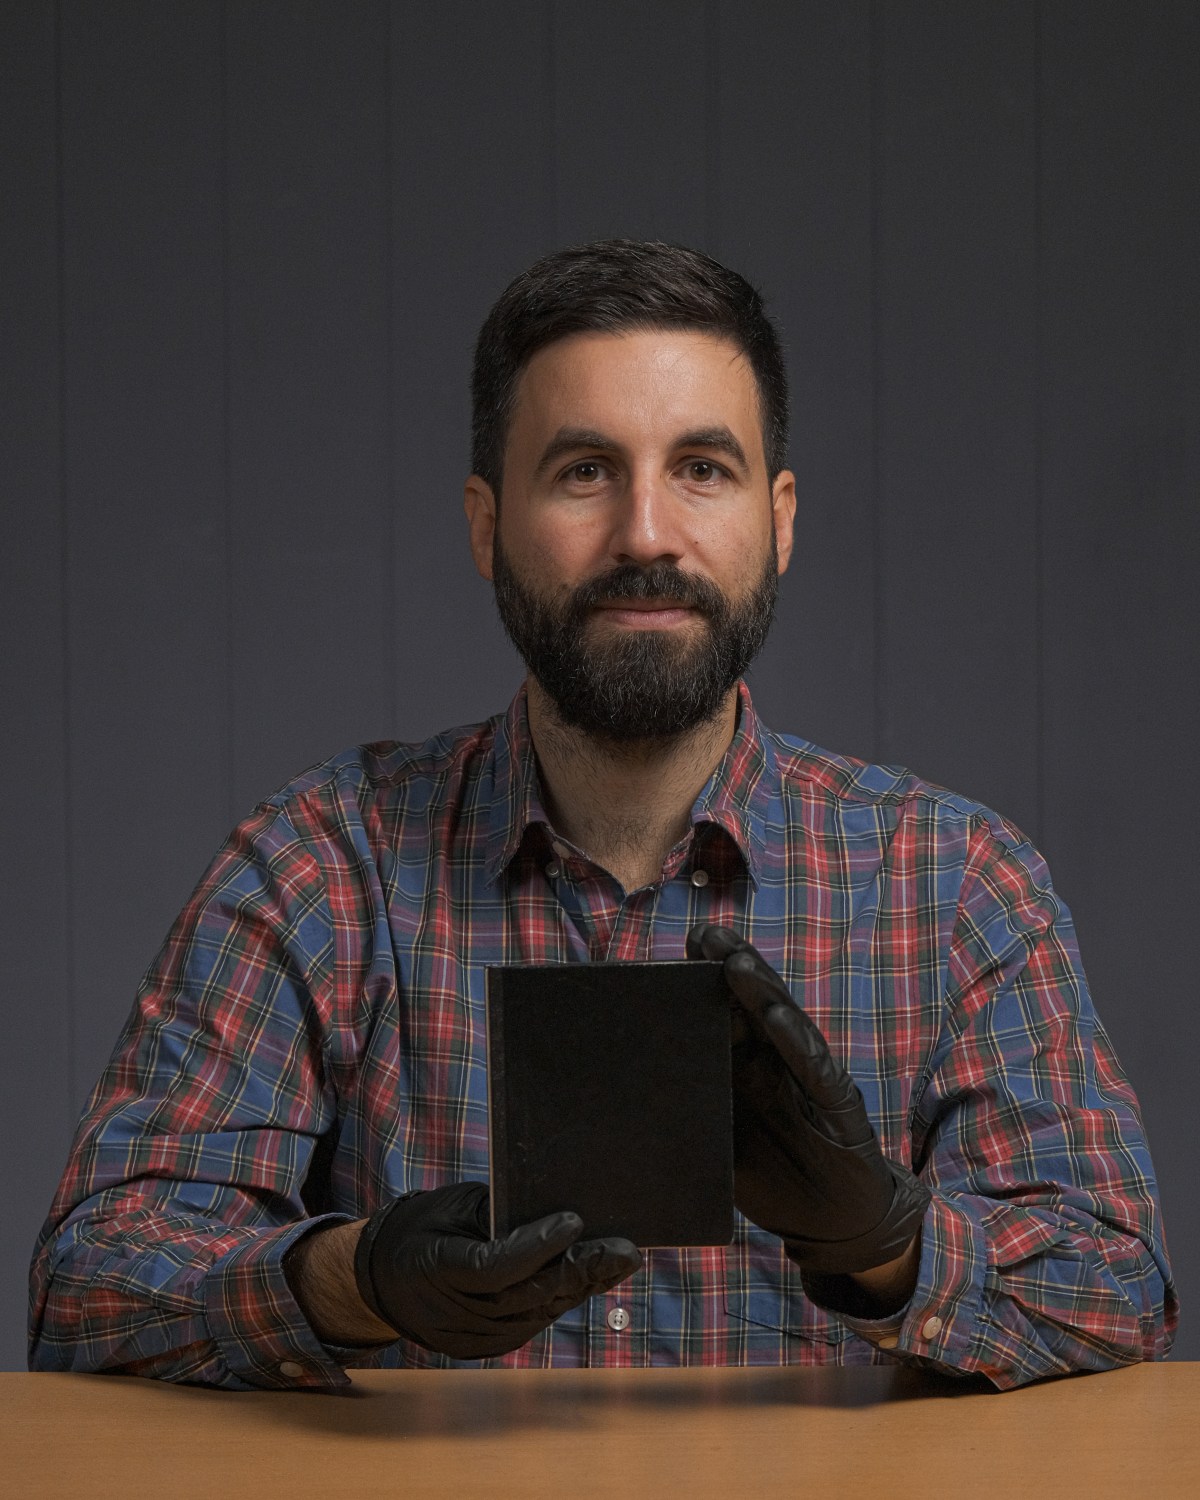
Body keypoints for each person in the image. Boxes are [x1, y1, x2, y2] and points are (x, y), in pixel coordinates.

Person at [29, 240, 1176, 1391]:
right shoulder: (322, 865)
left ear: (779, 521)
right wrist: (354, 1281)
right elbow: (92, 1284)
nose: (644, 534)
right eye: (584, 470)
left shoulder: (958, 881)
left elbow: (1116, 1291)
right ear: (486, 526)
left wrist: (889, 1245)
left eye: (702, 470)